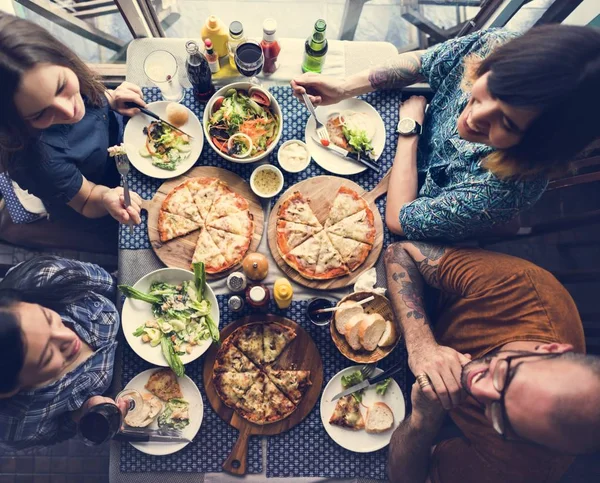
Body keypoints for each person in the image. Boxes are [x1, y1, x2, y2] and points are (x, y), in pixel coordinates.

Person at [292, 25, 600, 241]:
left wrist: (410, 129)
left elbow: (400, 219)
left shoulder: (506, 191)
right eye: (491, 88)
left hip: (408, 195)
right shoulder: (498, 44)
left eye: (507, 124)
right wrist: (345, 86)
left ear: (537, 146)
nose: (475, 117)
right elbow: (424, 61)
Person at [383, 242, 599, 482]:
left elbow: (407, 479)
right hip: (424, 313)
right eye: (505, 375)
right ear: (550, 349)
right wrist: (422, 346)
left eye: (499, 417)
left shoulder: (520, 468)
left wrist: (423, 421)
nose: (476, 387)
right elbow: (400, 252)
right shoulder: (524, 287)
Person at [0, 13, 144, 226]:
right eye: (39, 114)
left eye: (61, 86)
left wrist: (111, 98)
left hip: (121, 147)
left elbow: (95, 93)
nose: (70, 112)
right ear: (14, 127)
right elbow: (86, 201)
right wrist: (106, 198)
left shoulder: (56, 71)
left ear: (62, 58)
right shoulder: (39, 163)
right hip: (97, 189)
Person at [0, 256, 124, 449]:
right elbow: (60, 431)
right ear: (9, 390)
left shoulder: (45, 276)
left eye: (49, 318)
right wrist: (82, 412)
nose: (67, 337)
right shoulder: (16, 428)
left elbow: (114, 283)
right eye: (48, 356)